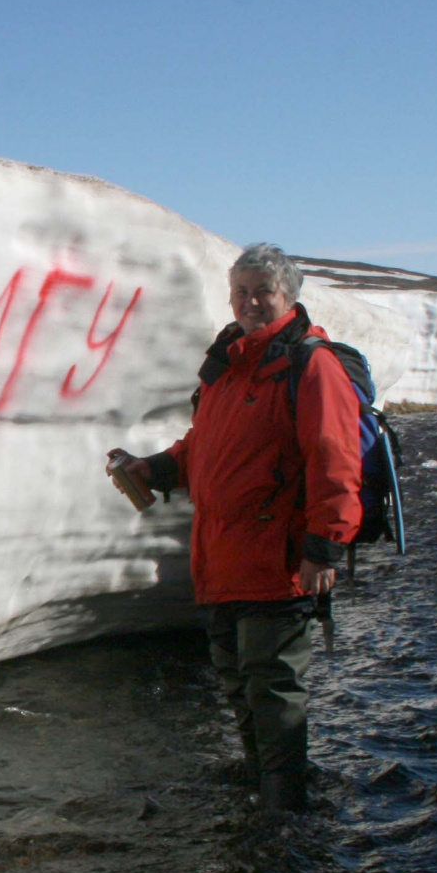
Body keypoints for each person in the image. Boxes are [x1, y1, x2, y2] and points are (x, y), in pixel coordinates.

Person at [109, 244, 363, 811]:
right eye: (241, 292)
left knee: (273, 686)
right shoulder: (227, 366)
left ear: (287, 297)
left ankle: (284, 808)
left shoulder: (309, 365)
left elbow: (335, 460)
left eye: (262, 292)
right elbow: (203, 449)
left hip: (279, 560)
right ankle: (261, 784)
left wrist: (323, 551)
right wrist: (151, 470)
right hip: (222, 557)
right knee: (237, 680)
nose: (250, 302)